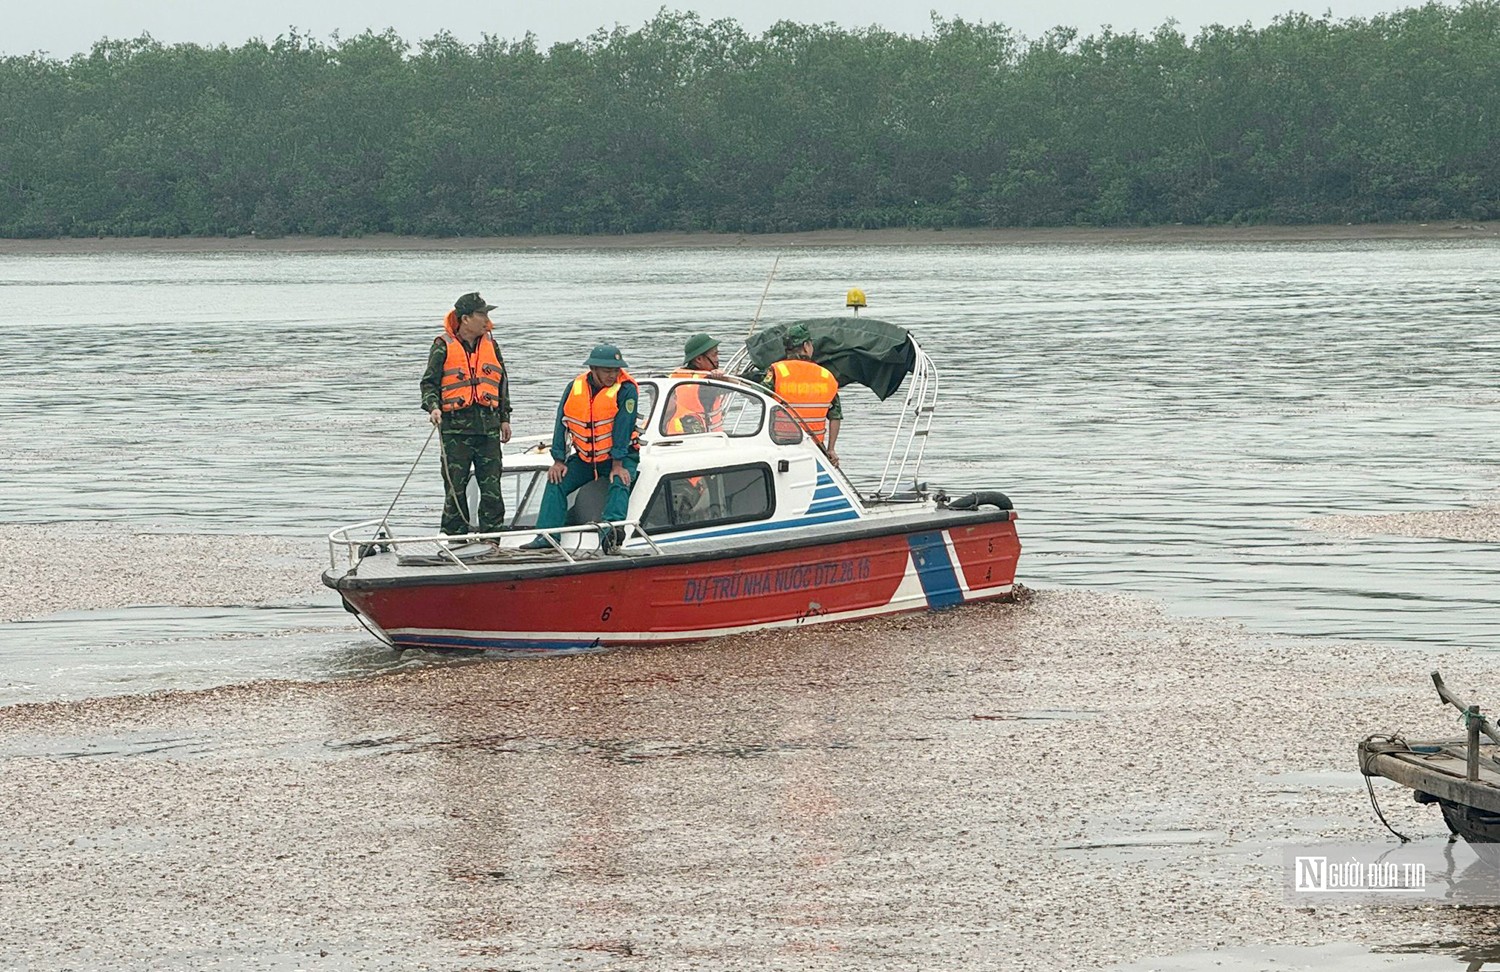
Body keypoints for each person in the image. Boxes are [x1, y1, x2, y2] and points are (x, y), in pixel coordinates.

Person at [523, 344, 640, 549]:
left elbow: (624, 426)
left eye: (616, 370)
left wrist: (618, 463)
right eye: (607, 370)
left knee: (620, 482)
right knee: (556, 481)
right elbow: (562, 422)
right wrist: (558, 460)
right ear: (593, 369)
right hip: (587, 458)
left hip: (620, 456)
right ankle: (547, 537)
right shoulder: (574, 387)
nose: (612, 375)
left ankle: (610, 533)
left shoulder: (627, 390)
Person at [419, 291, 512, 537]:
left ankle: (492, 539)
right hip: (454, 431)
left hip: (488, 429)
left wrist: (505, 418)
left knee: (492, 489)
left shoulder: (491, 344)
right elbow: (429, 383)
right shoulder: (442, 346)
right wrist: (433, 407)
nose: (486, 319)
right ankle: (453, 540)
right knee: (455, 489)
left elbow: (501, 383)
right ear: (466, 318)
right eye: (482, 314)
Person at [762, 323, 841, 466]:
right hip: (815, 448)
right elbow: (835, 415)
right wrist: (831, 449)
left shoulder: (777, 371)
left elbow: (759, 395)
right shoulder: (825, 376)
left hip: (782, 446)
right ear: (806, 346)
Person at [666, 332, 725, 435]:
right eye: (715, 354)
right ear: (698, 359)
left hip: (669, 434)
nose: (717, 359)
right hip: (699, 438)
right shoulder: (706, 384)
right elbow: (737, 385)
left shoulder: (673, 376)